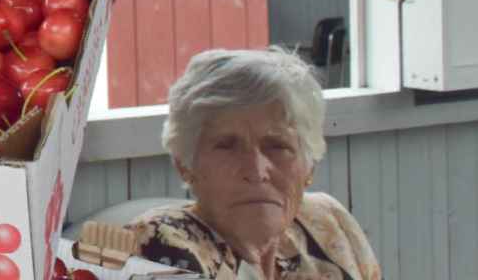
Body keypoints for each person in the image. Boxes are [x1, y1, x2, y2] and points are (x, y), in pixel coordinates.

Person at [128, 49, 380, 280]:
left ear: (309, 167)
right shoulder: (155, 242)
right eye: (227, 145)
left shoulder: (329, 222)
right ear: (184, 165)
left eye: (277, 146)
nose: (256, 171)